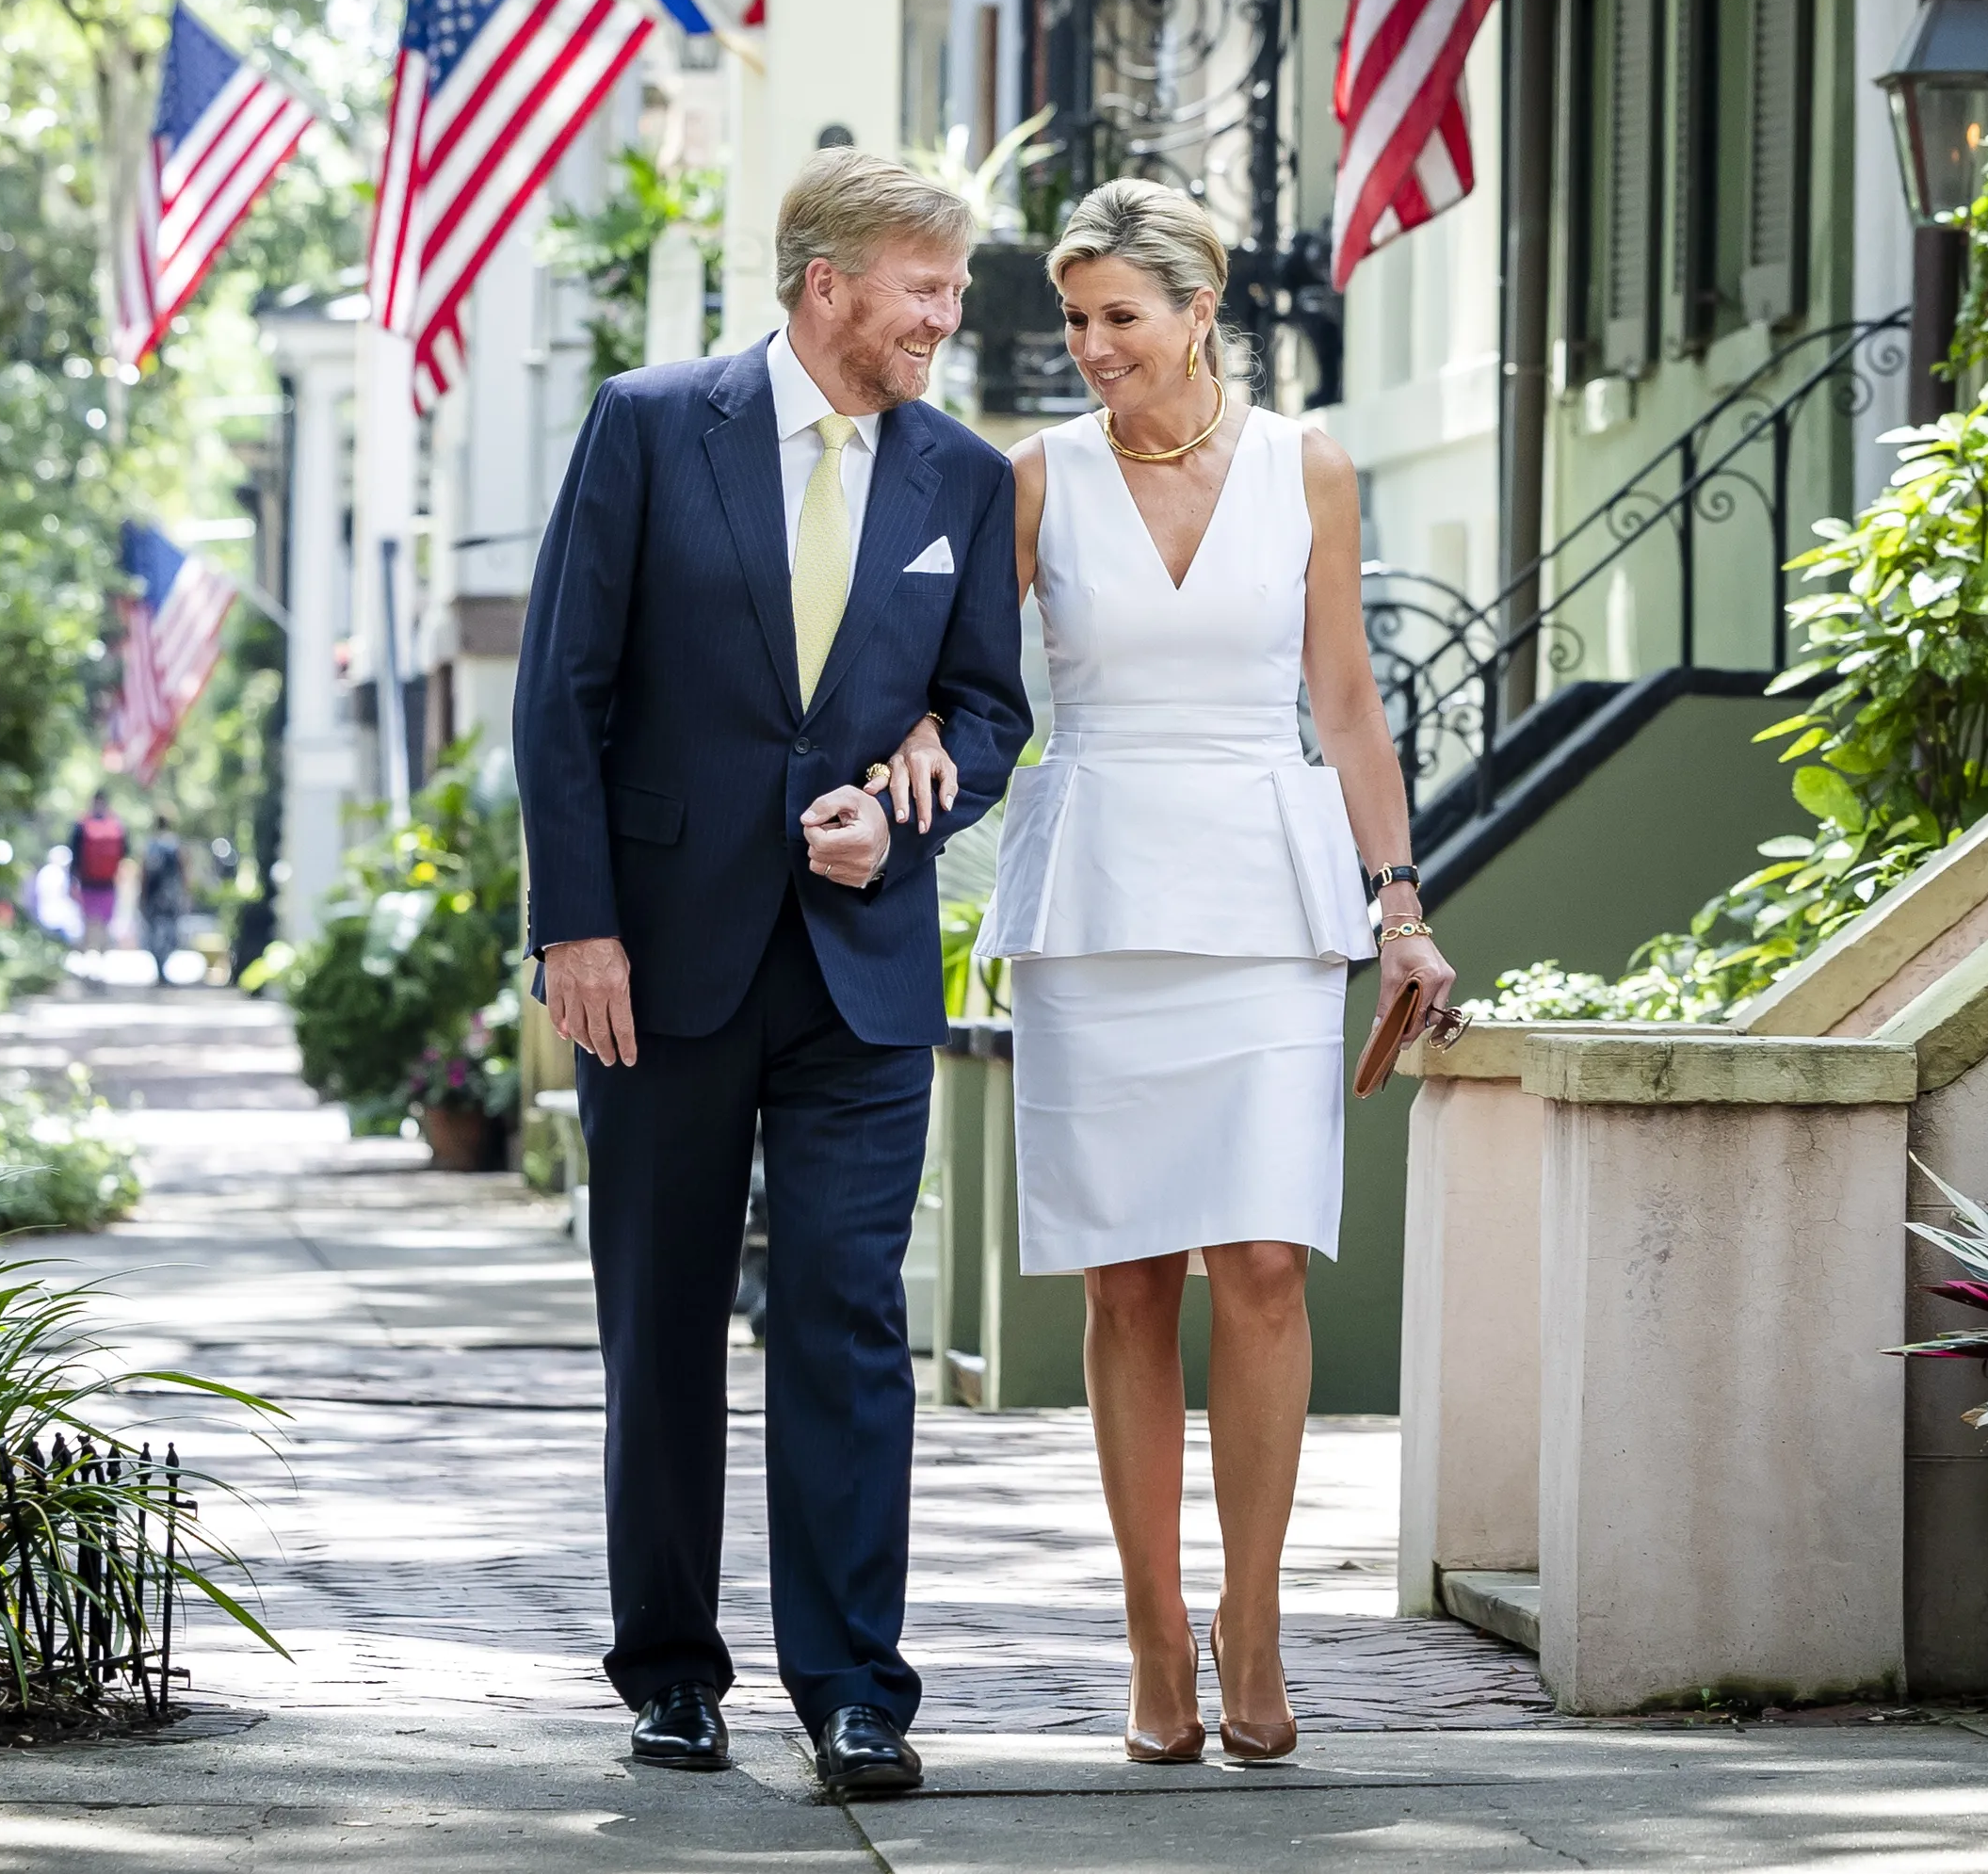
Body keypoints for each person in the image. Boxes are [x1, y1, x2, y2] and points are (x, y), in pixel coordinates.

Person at [517, 149, 1032, 1798]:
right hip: (654, 964)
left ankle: (858, 1690)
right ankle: (668, 1668)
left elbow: (988, 709)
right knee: (661, 1319)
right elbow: (562, 692)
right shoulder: (655, 422)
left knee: (844, 1318)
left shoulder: (960, 471)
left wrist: (895, 810)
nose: (948, 319)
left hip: (861, 975)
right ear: (829, 285)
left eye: (953, 289)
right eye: (926, 290)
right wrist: (577, 925)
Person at [980, 180, 1459, 1767]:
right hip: (1098, 891)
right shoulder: (1034, 479)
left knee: (1261, 1264)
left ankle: (1255, 1621)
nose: (1094, 346)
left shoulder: (1306, 467)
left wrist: (1400, 904)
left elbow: (1345, 701)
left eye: (1122, 315)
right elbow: (972, 689)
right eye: (1076, 319)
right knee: (1126, 1277)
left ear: (1202, 311)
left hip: (1266, 897)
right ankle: (1153, 1638)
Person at [69, 793, 128, 947]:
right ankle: (102, 956)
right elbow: (125, 852)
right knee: (105, 924)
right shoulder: (116, 825)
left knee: (88, 922)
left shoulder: (82, 824)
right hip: (109, 883)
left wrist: (71, 880)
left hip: (87, 881)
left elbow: (74, 854)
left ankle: (88, 957)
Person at [138, 820, 190, 972]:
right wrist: (186, 894)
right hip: (171, 896)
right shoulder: (176, 844)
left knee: (153, 931)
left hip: (153, 897)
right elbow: (184, 871)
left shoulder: (150, 845)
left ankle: (159, 965)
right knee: (170, 931)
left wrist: (142, 896)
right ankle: (164, 964)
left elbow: (143, 873)